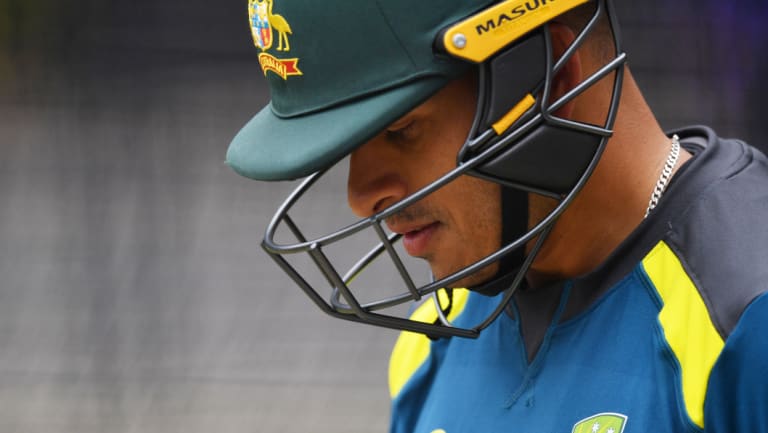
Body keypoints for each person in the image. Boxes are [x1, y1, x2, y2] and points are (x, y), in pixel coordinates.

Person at [227, 0, 768, 431]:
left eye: (399, 130)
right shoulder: (431, 342)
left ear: (548, 78)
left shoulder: (746, 318)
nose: (361, 195)